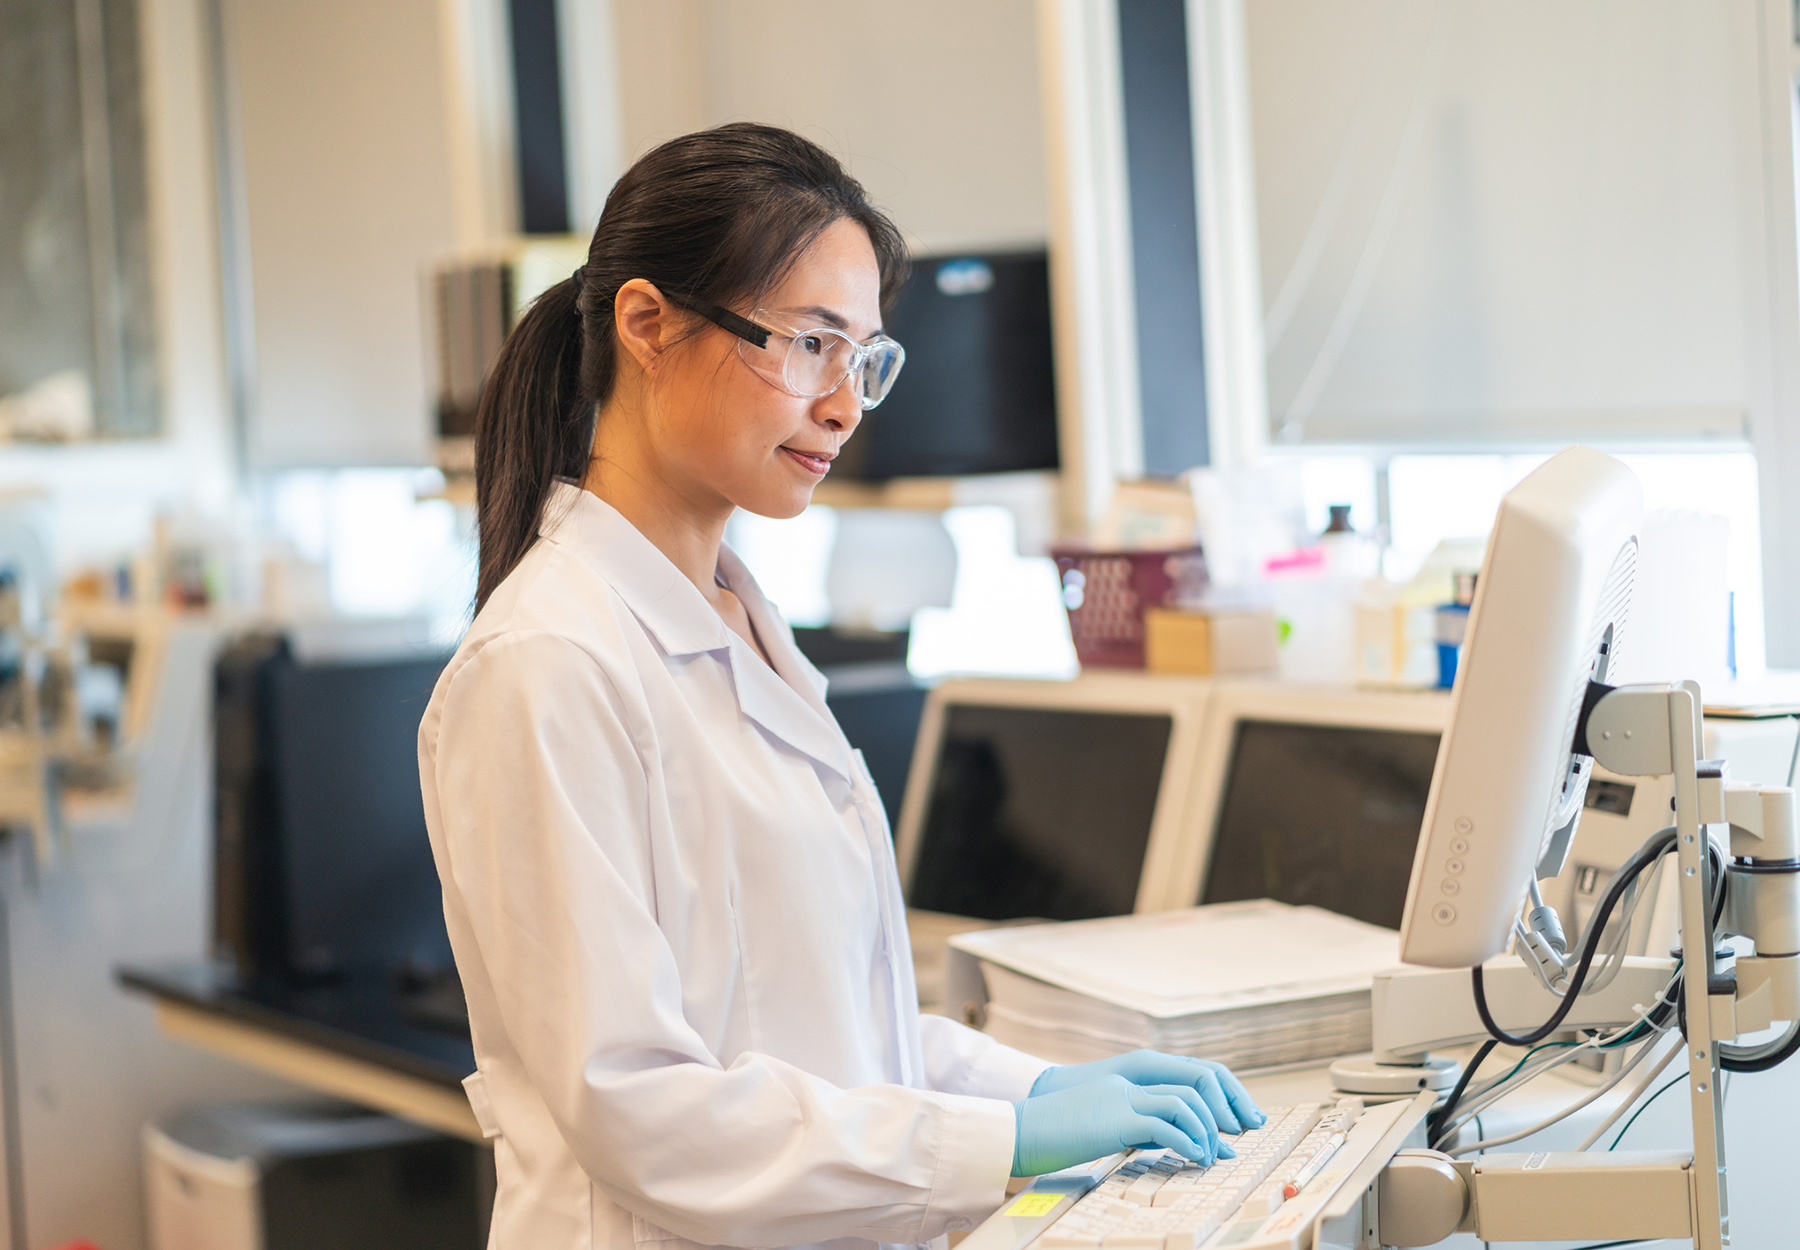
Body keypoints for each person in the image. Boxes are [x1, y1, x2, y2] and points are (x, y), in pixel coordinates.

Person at [418, 122, 1264, 1250]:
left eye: (863, 357)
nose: (845, 404)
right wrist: (1002, 1146)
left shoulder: (741, 619)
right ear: (646, 323)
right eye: (812, 344)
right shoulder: (546, 662)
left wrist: (1038, 1087)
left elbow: (832, 1025)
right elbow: (642, 1107)